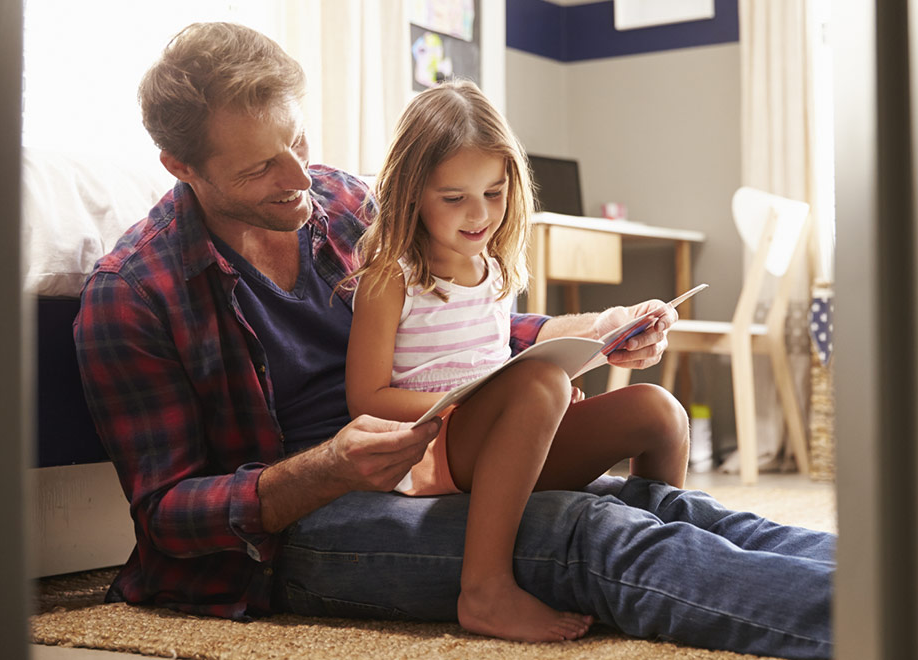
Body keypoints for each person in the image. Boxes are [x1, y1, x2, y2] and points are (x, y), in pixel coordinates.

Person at [74, 22, 836, 659]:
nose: (299, 175)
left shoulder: (344, 203)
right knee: (589, 530)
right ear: (180, 167)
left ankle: (892, 577)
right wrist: (324, 469)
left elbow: (457, 329)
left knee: (666, 508)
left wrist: (589, 332)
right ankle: (876, 627)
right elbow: (166, 515)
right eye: (260, 167)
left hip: (444, 449)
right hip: (303, 526)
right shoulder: (134, 295)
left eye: (298, 140)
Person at [342, 80, 689, 642]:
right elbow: (366, 400)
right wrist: (492, 402)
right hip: (434, 450)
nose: (479, 214)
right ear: (411, 194)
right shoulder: (391, 277)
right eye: (454, 198)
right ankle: (484, 589)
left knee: (659, 411)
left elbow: (497, 360)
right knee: (539, 383)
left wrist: (543, 399)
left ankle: (660, 559)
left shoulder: (497, 270)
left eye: (494, 192)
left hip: (501, 441)